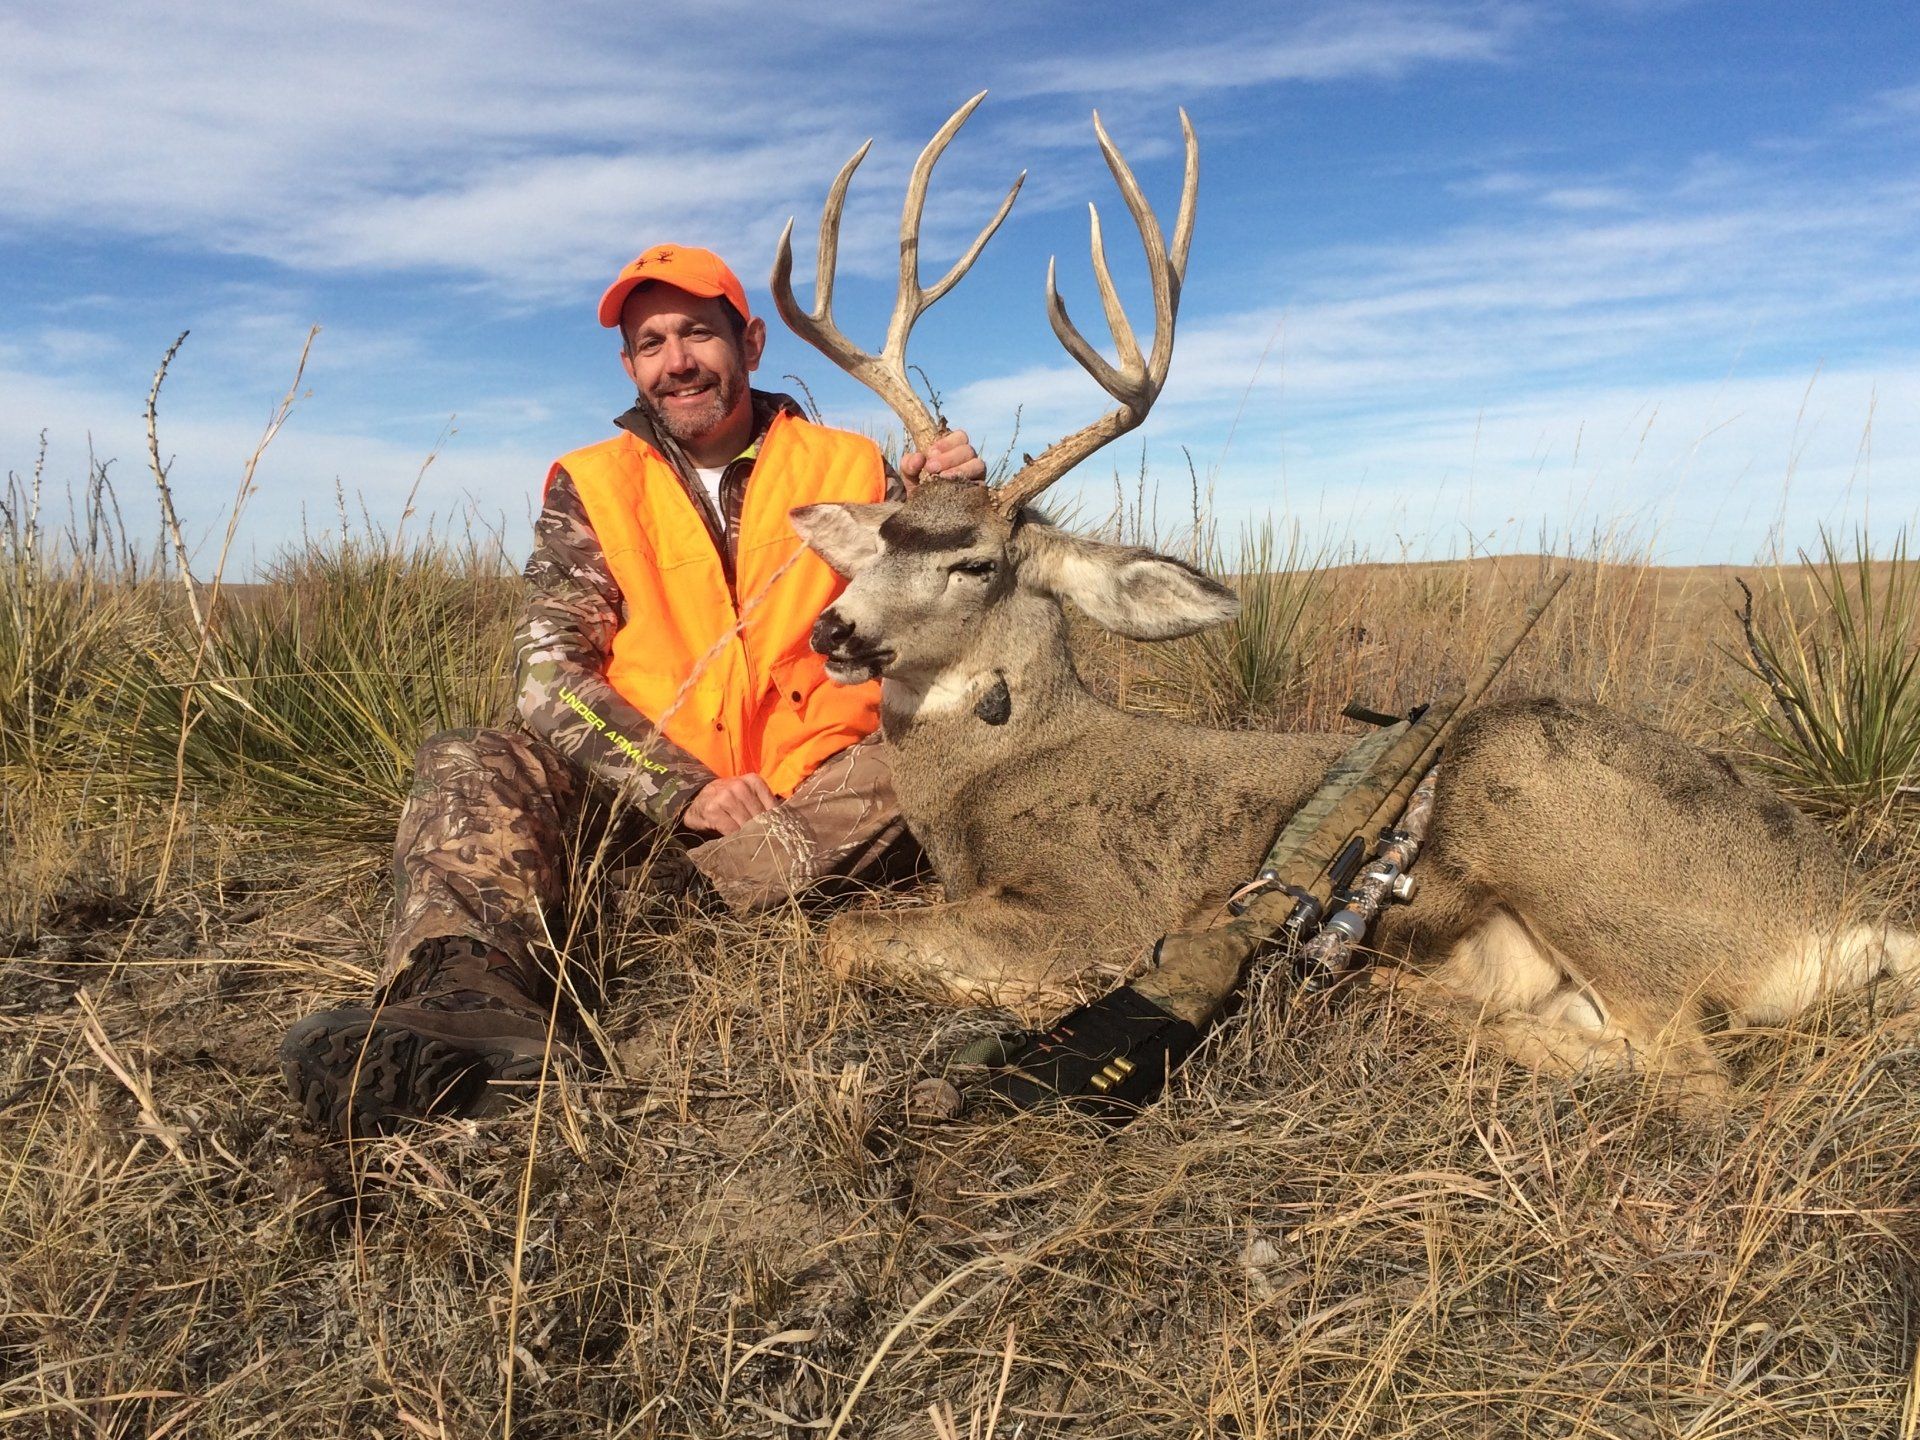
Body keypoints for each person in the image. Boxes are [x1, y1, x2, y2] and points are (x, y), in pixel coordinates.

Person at [280, 244, 984, 1137]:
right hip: (647, 800)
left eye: (699, 332)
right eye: (651, 341)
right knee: (472, 758)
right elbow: (548, 676)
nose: (677, 359)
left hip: (823, 786)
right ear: (629, 365)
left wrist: (951, 508)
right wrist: (684, 791)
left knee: (931, 749)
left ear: (752, 341)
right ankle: (469, 997)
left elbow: (944, 619)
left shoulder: (857, 468)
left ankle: (643, 909)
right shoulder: (594, 484)